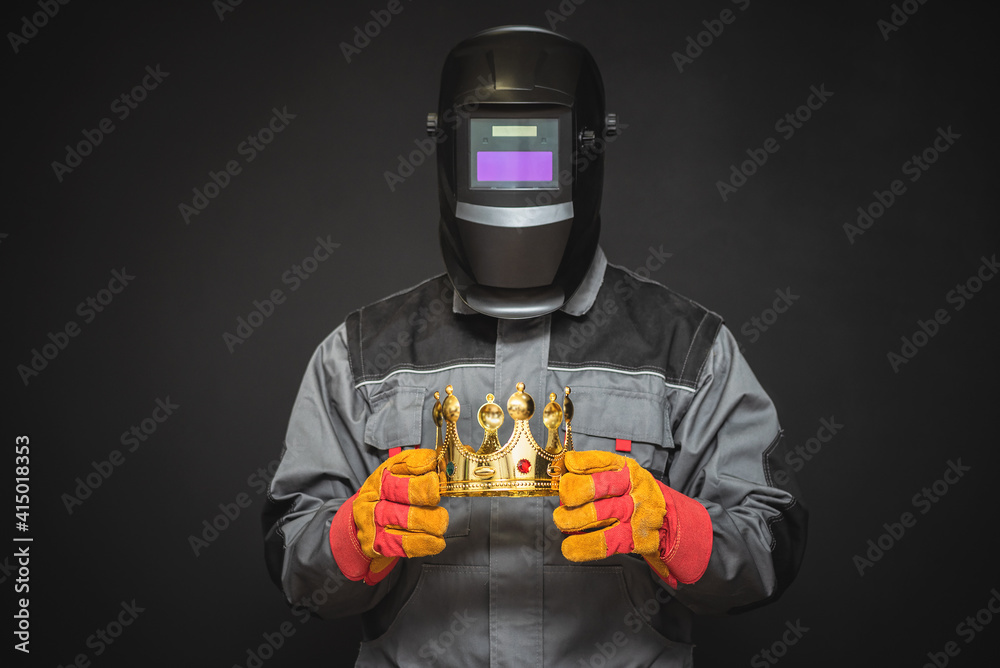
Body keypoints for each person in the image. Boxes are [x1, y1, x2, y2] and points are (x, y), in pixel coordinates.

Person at [263, 25, 807, 667]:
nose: (514, 193)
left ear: (586, 151)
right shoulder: (360, 356)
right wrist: (350, 540)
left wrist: (672, 529)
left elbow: (769, 547)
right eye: (490, 155)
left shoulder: (687, 351)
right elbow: (293, 558)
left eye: (535, 155)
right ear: (448, 151)